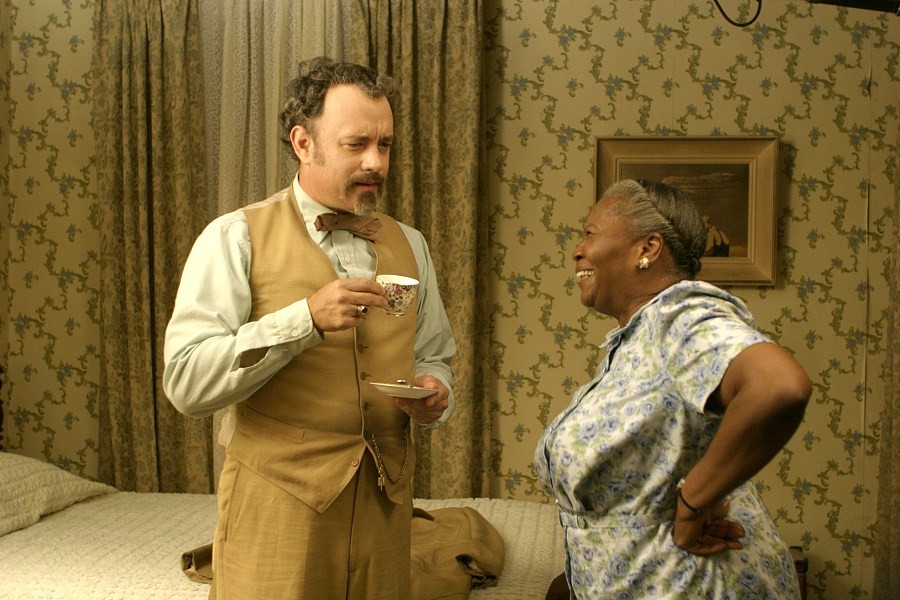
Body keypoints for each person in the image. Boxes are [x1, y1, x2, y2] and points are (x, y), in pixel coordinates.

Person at [163, 57, 456, 600]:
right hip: (278, 506)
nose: (376, 162)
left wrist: (437, 389)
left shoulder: (411, 244)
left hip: (385, 507)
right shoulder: (233, 237)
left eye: (385, 144)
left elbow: (434, 353)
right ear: (303, 143)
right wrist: (304, 321)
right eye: (356, 144)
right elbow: (186, 383)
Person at [534, 179, 811, 598]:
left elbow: (777, 386)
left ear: (647, 249)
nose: (578, 250)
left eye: (590, 233)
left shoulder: (679, 316)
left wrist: (694, 501)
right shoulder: (637, 339)